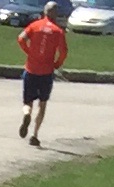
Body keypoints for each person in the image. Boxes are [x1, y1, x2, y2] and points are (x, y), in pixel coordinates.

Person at [17, 0, 70, 142]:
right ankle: (35, 135)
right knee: (42, 103)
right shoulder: (58, 31)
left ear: (44, 11)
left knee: (27, 101)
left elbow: (21, 38)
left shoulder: (35, 26)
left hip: (31, 69)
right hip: (46, 72)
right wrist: (57, 64)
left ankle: (27, 113)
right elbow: (63, 52)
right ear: (56, 14)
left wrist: (29, 52)